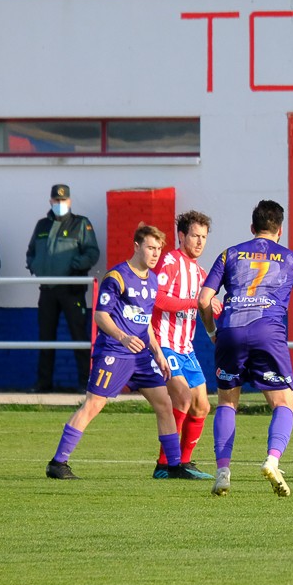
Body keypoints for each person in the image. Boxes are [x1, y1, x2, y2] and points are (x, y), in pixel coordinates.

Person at [197, 200, 293, 498]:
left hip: (230, 331)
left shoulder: (229, 254)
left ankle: (223, 472)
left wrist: (212, 332)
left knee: (227, 402)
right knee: (283, 402)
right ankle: (272, 460)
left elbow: (203, 300)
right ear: (280, 230)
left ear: (252, 228)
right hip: (267, 333)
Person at [45, 225, 197, 480]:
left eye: (159, 249)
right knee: (94, 404)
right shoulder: (116, 277)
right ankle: (57, 462)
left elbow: (145, 321)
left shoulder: (151, 280)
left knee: (165, 404)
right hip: (115, 352)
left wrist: (157, 353)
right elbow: (100, 316)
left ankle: (172, 466)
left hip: (141, 355)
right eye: (150, 247)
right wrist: (123, 337)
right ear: (136, 246)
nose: (155, 253)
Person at [149, 210, 218, 480]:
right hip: (164, 343)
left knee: (202, 405)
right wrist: (196, 302)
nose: (199, 242)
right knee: (183, 398)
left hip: (186, 348)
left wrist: (217, 317)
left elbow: (204, 309)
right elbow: (159, 299)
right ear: (181, 236)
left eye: (203, 237)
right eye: (194, 236)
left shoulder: (201, 273)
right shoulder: (170, 261)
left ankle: (184, 463)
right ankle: (165, 465)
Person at [26, 184, 100, 393]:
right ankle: (43, 384)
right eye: (56, 201)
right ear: (50, 201)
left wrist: (75, 266)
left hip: (72, 288)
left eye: (63, 200)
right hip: (47, 290)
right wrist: (36, 267)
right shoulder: (42, 225)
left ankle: (86, 383)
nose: (60, 204)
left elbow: (92, 253)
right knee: (45, 338)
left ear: (69, 202)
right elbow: (31, 252)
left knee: (79, 335)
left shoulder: (80, 224)